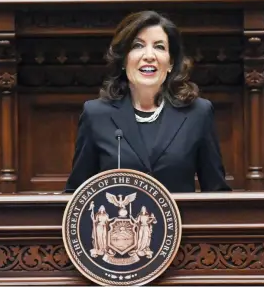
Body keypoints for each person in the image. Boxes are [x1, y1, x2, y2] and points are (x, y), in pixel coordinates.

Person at [65, 11, 231, 193]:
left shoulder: (197, 113)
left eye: (159, 47)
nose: (149, 55)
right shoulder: (96, 114)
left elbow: (216, 193)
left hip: (181, 221)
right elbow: (77, 195)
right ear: (123, 60)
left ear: (170, 63)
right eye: (138, 46)